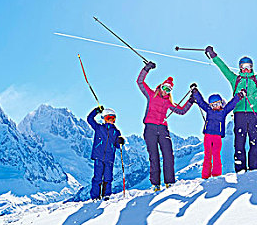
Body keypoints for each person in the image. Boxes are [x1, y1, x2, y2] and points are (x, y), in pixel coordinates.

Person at [205, 43, 257, 173]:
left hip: (254, 114)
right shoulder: (235, 79)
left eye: (248, 67)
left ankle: (253, 169)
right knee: (240, 142)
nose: (246, 69)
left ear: (251, 67)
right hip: (239, 114)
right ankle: (240, 169)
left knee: (256, 142)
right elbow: (223, 68)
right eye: (243, 67)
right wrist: (213, 55)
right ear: (240, 68)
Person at [137, 61, 194, 191]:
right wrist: (147, 69)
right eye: (164, 88)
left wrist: (191, 100)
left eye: (168, 89)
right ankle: (155, 184)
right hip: (150, 128)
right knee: (154, 156)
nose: (166, 91)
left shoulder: (169, 103)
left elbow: (181, 111)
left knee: (168, 154)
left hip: (163, 129)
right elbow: (140, 82)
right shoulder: (151, 95)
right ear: (161, 87)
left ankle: (169, 182)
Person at [192, 86, 246, 179]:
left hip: (217, 137)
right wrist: (195, 92)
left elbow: (232, 103)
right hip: (208, 136)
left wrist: (239, 95)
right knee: (207, 155)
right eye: (213, 105)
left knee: (216, 154)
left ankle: (216, 174)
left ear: (221, 103)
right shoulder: (208, 110)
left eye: (217, 103)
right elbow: (201, 102)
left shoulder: (224, 111)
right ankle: (205, 176)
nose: (215, 106)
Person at [87, 106, 125, 200]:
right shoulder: (99, 128)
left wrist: (120, 141)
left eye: (113, 118)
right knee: (97, 178)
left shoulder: (116, 132)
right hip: (98, 157)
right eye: (108, 118)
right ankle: (95, 196)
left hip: (109, 158)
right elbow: (89, 119)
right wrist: (96, 111)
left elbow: (116, 145)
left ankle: (106, 195)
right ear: (104, 119)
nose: (111, 120)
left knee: (108, 178)